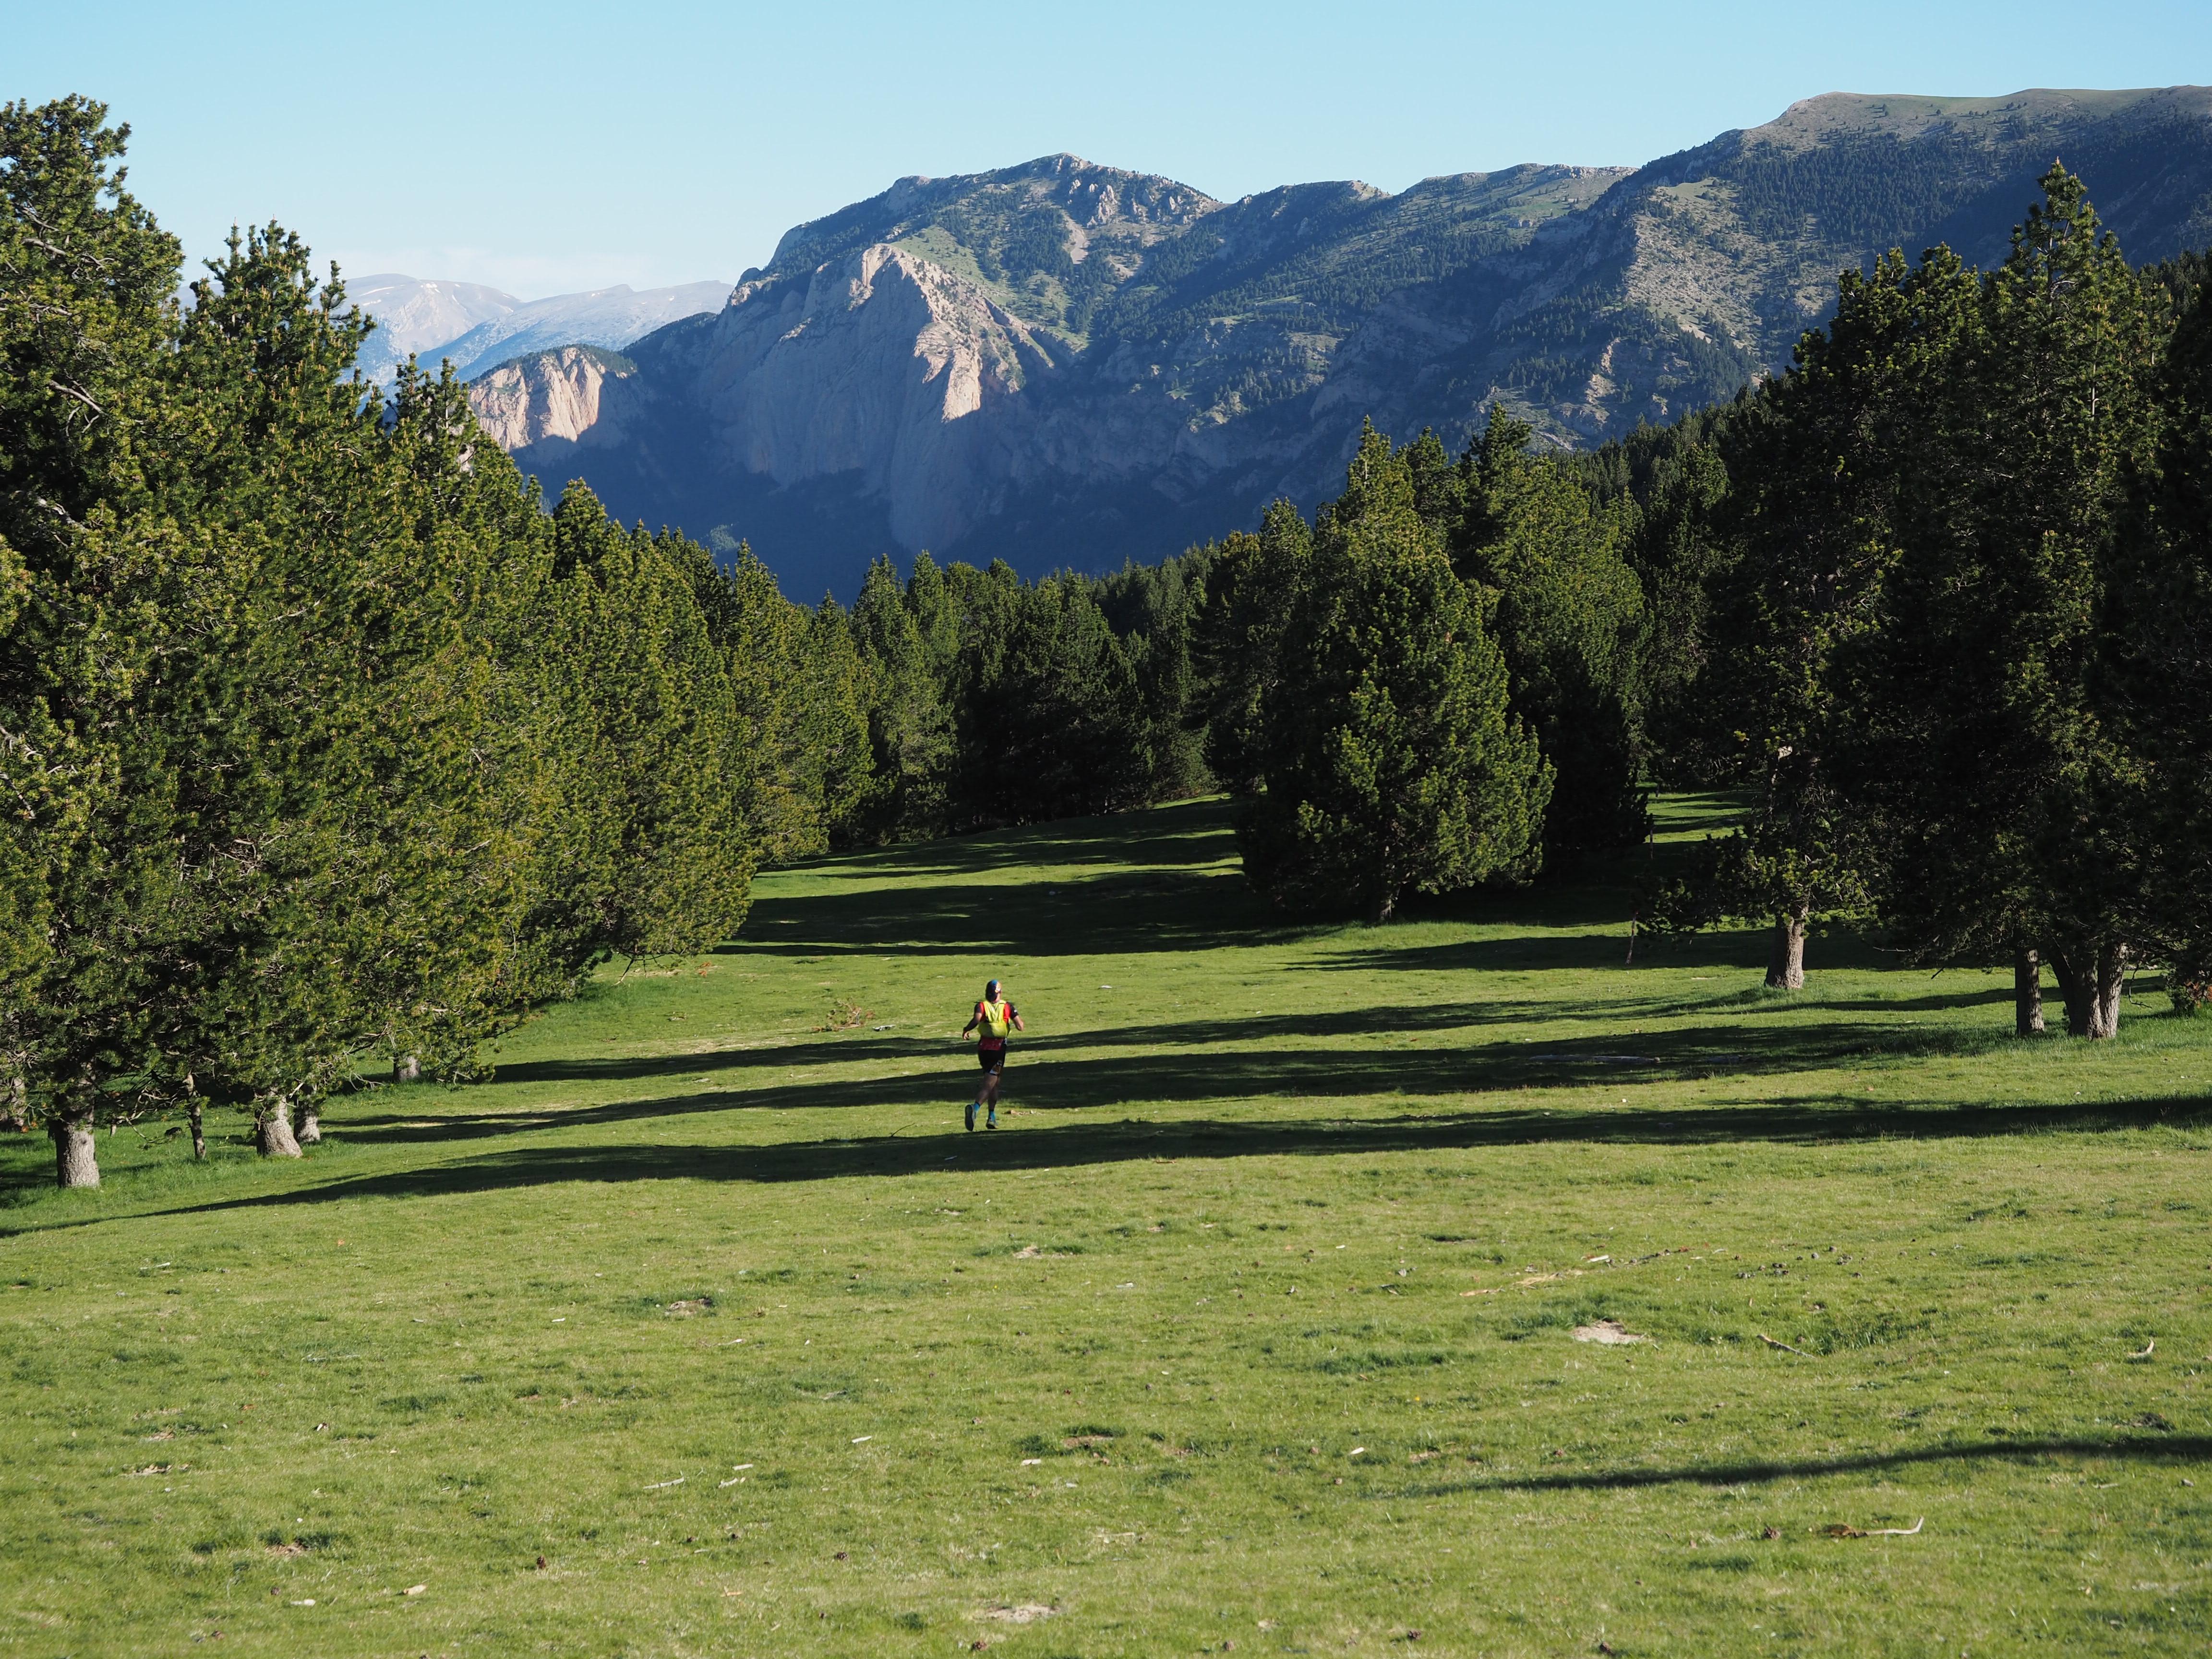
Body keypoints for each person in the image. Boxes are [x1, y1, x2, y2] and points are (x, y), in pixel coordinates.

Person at [960, 978, 1023, 1130]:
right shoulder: (1007, 1007)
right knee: (990, 1083)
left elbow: (976, 1020)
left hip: (983, 1048)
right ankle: (975, 1108)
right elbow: (1020, 1026)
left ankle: (992, 1117)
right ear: (999, 993)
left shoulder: (981, 1006)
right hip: (998, 1049)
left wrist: (966, 1029)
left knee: (996, 1082)